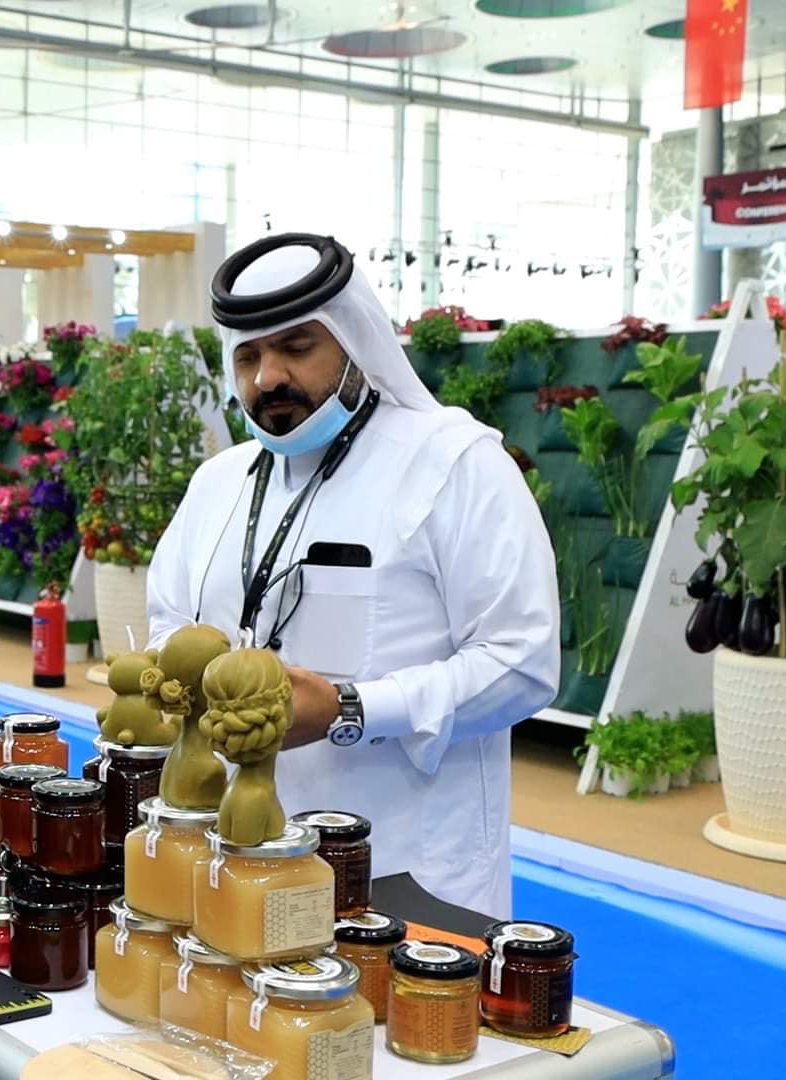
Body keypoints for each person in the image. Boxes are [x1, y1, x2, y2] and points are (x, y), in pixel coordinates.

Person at [145, 233, 559, 917]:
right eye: (248, 356)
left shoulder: (455, 464)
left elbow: (522, 662)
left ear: (353, 341)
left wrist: (350, 709)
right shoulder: (217, 484)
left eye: (296, 347)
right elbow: (167, 618)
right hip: (235, 857)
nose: (268, 376)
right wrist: (182, 676)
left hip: (405, 873)